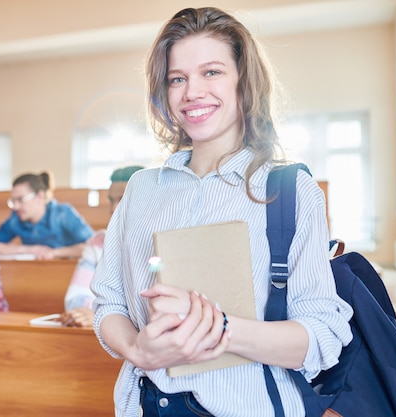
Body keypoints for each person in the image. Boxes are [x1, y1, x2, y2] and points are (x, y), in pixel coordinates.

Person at [91, 7, 353, 417]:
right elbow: (109, 304)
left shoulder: (289, 189)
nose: (191, 91)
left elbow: (320, 336)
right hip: (144, 404)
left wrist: (218, 329)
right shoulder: (142, 188)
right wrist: (137, 349)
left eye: (211, 72)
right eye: (177, 78)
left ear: (243, 82)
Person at [60, 165, 144, 327]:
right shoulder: (98, 242)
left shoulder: (161, 241)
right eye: (111, 200)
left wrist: (103, 313)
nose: (113, 208)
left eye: (122, 199)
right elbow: (74, 299)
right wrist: (104, 315)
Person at [0, 171, 94, 259]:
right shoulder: (16, 219)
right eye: (13, 201)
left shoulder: (63, 213)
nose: (16, 206)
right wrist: (29, 250)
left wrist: (54, 253)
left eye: (21, 199)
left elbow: (94, 246)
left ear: (40, 196)